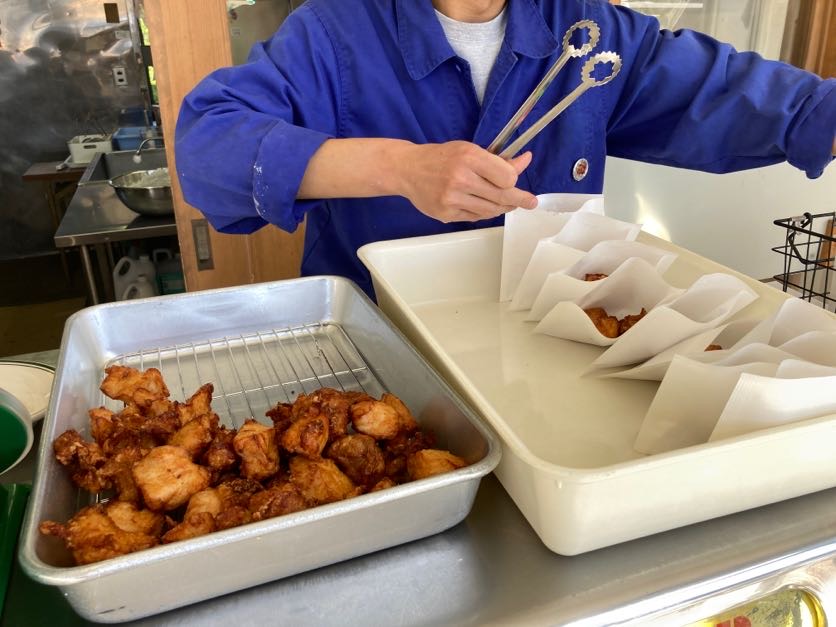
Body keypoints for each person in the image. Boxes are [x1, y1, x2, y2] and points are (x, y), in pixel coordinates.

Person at [175, 0, 836, 298]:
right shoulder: (333, 33)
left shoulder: (586, 29)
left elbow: (728, 94)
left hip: (548, 348)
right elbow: (209, 146)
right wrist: (398, 167)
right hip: (385, 360)